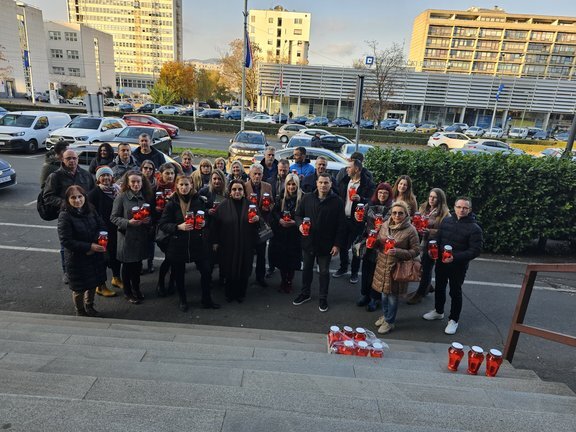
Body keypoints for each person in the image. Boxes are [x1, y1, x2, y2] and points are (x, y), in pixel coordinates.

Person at [158, 175, 219, 311]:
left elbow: (207, 217)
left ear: (191, 185)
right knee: (179, 274)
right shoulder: (171, 202)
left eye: (187, 185)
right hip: (178, 243)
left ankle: (206, 299)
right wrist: (178, 227)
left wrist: (204, 222)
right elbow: (162, 224)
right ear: (177, 186)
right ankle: (183, 300)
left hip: (197, 243)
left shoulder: (199, 200)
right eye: (181, 185)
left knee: (206, 271)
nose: (184, 188)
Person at [422, 197, 483, 335]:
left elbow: (475, 251)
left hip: (458, 266)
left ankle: (454, 320)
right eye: (459, 207)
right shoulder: (447, 220)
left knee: (455, 292)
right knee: (439, 288)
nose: (461, 210)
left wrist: (454, 257)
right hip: (442, 263)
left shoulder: (475, 228)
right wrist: (433, 248)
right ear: (454, 207)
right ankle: (438, 311)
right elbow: (438, 237)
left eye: (465, 208)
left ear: (470, 210)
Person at [293, 173, 346, 312]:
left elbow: (341, 225)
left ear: (331, 184)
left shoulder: (337, 201)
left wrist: (337, 244)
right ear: (316, 183)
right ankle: (305, 293)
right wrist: (299, 225)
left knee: (323, 272)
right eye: (321, 182)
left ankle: (323, 297)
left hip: (326, 244)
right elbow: (298, 214)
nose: (323, 185)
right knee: (306, 270)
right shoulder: (307, 198)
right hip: (308, 241)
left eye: (326, 183)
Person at [43, 149, 95, 284]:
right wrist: (66, 204)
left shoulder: (85, 174)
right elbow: (47, 197)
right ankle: (67, 271)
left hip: (84, 214)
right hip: (66, 215)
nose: (72, 161)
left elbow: (93, 193)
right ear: (63, 160)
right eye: (68, 158)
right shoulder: (55, 176)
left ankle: (85, 268)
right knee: (66, 245)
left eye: (74, 158)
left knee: (84, 242)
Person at [57, 185, 107, 317]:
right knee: (79, 288)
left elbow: (101, 225)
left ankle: (89, 305)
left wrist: (98, 241)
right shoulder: (65, 216)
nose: (77, 200)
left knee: (93, 283)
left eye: (80, 196)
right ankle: (80, 310)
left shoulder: (90, 209)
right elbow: (66, 241)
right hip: (77, 258)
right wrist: (89, 247)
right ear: (68, 200)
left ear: (85, 197)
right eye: (73, 197)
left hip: (94, 255)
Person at [372, 200, 420, 334]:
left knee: (392, 297)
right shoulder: (385, 224)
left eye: (400, 213)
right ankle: (386, 315)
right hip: (382, 264)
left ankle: (390, 322)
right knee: (383, 295)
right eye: (394, 213)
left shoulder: (411, 230)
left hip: (397, 268)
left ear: (406, 214)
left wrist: (398, 251)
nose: (397, 216)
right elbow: (380, 242)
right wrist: (374, 243)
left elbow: (416, 251)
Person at [110, 170, 155, 304]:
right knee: (128, 265)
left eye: (138, 182)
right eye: (133, 182)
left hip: (141, 236)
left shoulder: (145, 197)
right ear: (128, 183)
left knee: (137, 265)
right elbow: (113, 217)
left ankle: (136, 289)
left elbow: (150, 215)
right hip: (127, 237)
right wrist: (128, 222)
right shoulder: (122, 197)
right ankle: (128, 292)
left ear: (142, 183)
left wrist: (149, 220)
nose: (136, 184)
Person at [211, 180, 259, 303]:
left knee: (244, 269)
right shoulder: (223, 206)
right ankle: (229, 293)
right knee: (228, 269)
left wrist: (257, 219)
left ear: (244, 192)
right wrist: (215, 242)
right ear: (230, 192)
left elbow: (259, 225)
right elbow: (215, 226)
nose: (237, 191)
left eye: (240, 189)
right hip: (228, 244)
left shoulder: (251, 206)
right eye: (234, 189)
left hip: (245, 244)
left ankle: (241, 293)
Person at [333, 159, 374, 283]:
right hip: (344, 218)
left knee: (356, 247)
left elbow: (372, 201)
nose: (347, 169)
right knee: (343, 245)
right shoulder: (345, 181)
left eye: (349, 167)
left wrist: (361, 198)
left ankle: (355, 272)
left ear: (356, 169)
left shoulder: (367, 184)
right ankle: (343, 267)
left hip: (358, 220)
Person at [407, 188, 450, 305]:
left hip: (433, 245)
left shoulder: (445, 213)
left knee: (426, 268)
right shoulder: (423, 208)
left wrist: (429, 231)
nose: (431, 199)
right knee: (420, 265)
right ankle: (427, 286)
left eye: (434, 197)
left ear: (440, 199)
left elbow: (445, 231)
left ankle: (420, 293)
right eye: (430, 196)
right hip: (420, 242)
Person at [357, 182, 394, 312]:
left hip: (383, 243)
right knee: (366, 270)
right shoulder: (369, 205)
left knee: (378, 273)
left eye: (385, 193)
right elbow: (361, 220)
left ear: (389, 195)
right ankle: (365, 295)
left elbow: (394, 224)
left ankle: (375, 298)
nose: (382, 195)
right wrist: (358, 217)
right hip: (368, 241)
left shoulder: (392, 209)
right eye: (380, 192)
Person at [87, 166, 122, 297]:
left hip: (116, 229)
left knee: (115, 256)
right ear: (98, 179)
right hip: (102, 232)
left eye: (108, 175)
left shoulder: (117, 190)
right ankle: (100, 286)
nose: (106, 178)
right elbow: (90, 214)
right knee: (102, 259)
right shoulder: (94, 194)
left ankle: (116, 278)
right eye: (103, 176)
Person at [269, 173, 304, 293]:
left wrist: (295, 223)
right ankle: (283, 281)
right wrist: (279, 220)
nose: (291, 187)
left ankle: (289, 281)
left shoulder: (302, 198)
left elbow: (305, 215)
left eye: (293, 184)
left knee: (292, 261)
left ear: (297, 184)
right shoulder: (281, 197)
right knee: (282, 261)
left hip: (295, 235)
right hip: (282, 235)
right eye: (289, 184)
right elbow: (274, 212)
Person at [244, 163, 274, 287]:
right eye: (254, 174)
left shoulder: (267, 186)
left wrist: (268, 208)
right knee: (247, 254)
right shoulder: (244, 186)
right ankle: (245, 277)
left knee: (262, 254)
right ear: (250, 174)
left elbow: (272, 203)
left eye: (259, 174)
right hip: (248, 225)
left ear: (262, 175)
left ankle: (260, 278)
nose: (257, 176)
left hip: (262, 225)